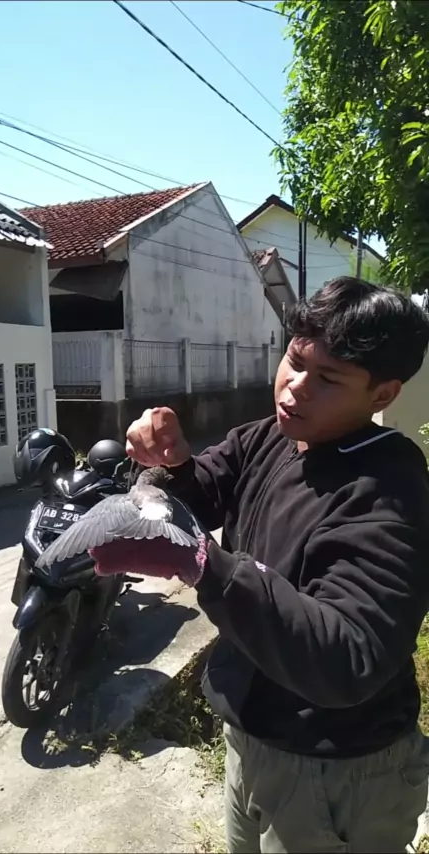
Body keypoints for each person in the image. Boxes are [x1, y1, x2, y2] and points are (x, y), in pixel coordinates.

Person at [123, 276, 429, 854]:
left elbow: (348, 655)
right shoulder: (271, 437)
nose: (296, 388)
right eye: (295, 360)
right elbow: (206, 490)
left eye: (328, 379)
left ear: (382, 395)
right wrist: (174, 463)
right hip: (251, 734)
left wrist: (206, 565)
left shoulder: (388, 488)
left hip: (338, 771)